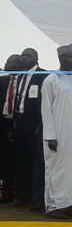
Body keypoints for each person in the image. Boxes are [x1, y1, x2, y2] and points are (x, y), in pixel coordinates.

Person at [41, 44, 72, 219]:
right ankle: (54, 205)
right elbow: (45, 110)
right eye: (70, 57)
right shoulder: (51, 79)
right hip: (57, 133)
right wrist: (50, 136)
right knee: (57, 168)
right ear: (60, 59)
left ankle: (70, 203)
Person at [12, 48, 47, 211]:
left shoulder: (43, 75)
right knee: (20, 160)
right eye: (22, 56)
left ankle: (37, 197)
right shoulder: (19, 76)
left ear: (36, 58)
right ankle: (22, 196)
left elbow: (45, 103)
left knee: (36, 161)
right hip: (19, 121)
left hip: (35, 125)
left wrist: (40, 125)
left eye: (27, 56)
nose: (23, 59)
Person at [0, 54, 22, 203]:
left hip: (18, 124)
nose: (6, 64)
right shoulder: (2, 81)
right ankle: (5, 193)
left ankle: (17, 192)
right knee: (4, 159)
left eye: (9, 61)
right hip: (2, 123)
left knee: (17, 159)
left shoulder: (24, 81)